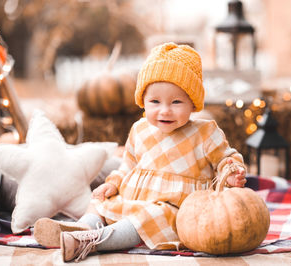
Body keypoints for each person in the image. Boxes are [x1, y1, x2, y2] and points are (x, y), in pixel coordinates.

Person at [33, 42, 247, 262]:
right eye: (154, 101)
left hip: (175, 207)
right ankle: (81, 227)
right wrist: (113, 183)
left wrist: (231, 173)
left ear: (192, 104)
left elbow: (225, 158)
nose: (164, 110)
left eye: (176, 102)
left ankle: (94, 240)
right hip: (135, 196)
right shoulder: (140, 129)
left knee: (148, 217)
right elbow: (128, 164)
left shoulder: (204, 131)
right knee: (100, 202)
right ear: (142, 101)